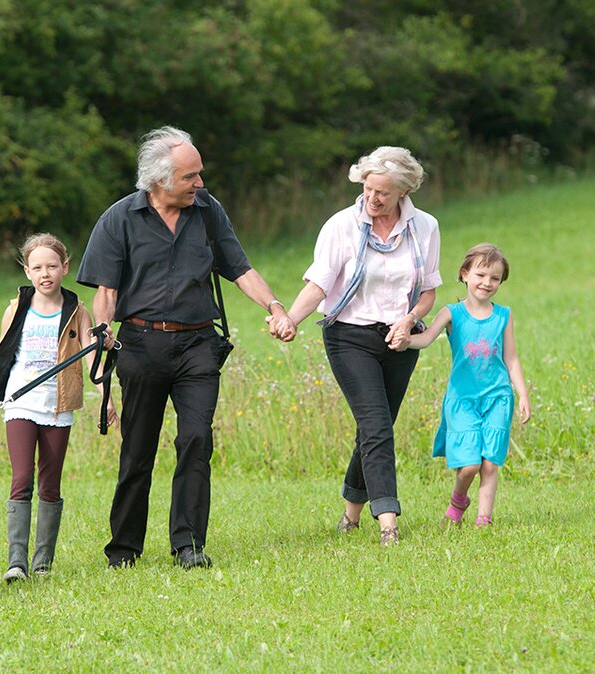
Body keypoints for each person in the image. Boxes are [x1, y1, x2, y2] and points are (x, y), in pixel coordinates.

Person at [77, 126, 291, 569]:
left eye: (200, 175)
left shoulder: (208, 212)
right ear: (160, 181)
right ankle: (124, 549)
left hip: (198, 344)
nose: (200, 184)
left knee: (196, 440)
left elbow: (239, 267)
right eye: (190, 177)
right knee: (138, 450)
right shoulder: (118, 219)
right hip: (140, 344)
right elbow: (106, 290)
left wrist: (274, 306)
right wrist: (103, 330)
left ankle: (188, 545)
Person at [269, 146, 441, 546]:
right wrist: (289, 320)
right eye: (367, 188)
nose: (372, 198)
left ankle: (350, 514)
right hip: (349, 336)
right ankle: (388, 523)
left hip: (400, 338)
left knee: (375, 428)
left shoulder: (426, 227)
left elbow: (429, 291)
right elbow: (318, 286)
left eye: (382, 192)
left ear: (403, 191)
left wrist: (410, 319)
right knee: (377, 426)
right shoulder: (340, 226)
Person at [0, 233, 118, 582]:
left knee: (49, 485)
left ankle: (42, 563)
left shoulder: (77, 310)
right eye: (37, 267)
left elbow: (90, 358)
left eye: (52, 266)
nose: (45, 273)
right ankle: (16, 563)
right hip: (20, 404)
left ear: (65, 268)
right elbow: (0, 359)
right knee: (21, 479)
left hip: (58, 407)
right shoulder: (17, 309)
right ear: (27, 271)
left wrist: (107, 395)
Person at [395, 243, 530, 526]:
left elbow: (512, 358)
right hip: (462, 400)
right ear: (465, 274)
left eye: (495, 278)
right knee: (469, 466)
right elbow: (427, 338)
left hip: (498, 398)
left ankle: (484, 520)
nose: (487, 283)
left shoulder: (503, 315)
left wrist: (523, 394)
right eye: (481, 275)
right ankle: (459, 500)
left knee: (490, 463)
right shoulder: (451, 313)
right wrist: (406, 341)